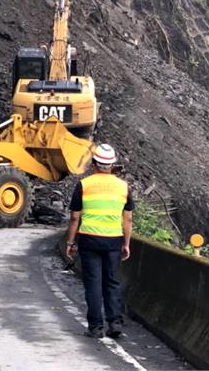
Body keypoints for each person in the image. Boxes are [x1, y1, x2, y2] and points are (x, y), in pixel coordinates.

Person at [64, 143, 134, 339]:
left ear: (94, 163)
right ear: (112, 165)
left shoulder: (84, 185)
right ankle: (115, 323)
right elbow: (127, 219)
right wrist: (126, 243)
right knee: (111, 281)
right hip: (113, 241)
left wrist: (70, 243)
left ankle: (95, 327)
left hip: (89, 240)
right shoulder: (123, 187)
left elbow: (74, 218)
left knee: (93, 283)